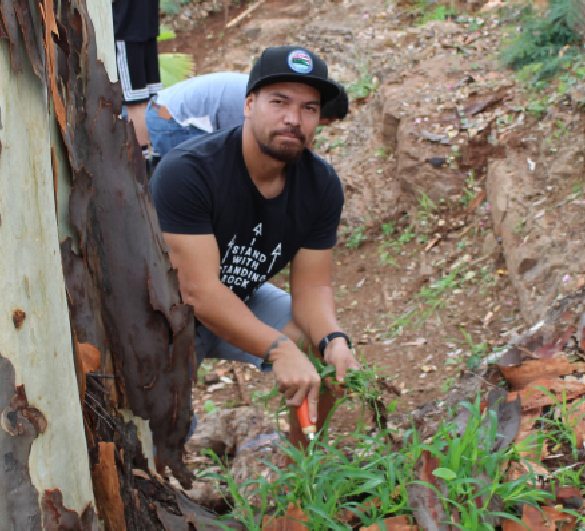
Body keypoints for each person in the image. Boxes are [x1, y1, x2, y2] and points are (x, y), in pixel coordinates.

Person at [149, 46, 360, 448]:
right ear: (249, 104)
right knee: (160, 427)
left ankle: (303, 468)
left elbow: (313, 288)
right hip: (165, 313)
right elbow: (198, 291)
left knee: (326, 357)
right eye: (279, 102)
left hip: (239, 298)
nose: (292, 119)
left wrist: (333, 339)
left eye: (309, 108)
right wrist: (278, 349)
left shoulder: (321, 185)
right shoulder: (188, 171)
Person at [145, 72, 349, 158]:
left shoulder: (278, 96)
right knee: (203, 184)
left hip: (164, 107)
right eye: (326, 122)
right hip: (169, 119)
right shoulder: (267, 109)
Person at [113, 0, 162, 150]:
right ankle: (159, 152)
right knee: (154, 99)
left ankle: (143, 162)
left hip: (126, 30)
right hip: (148, 26)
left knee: (136, 102)